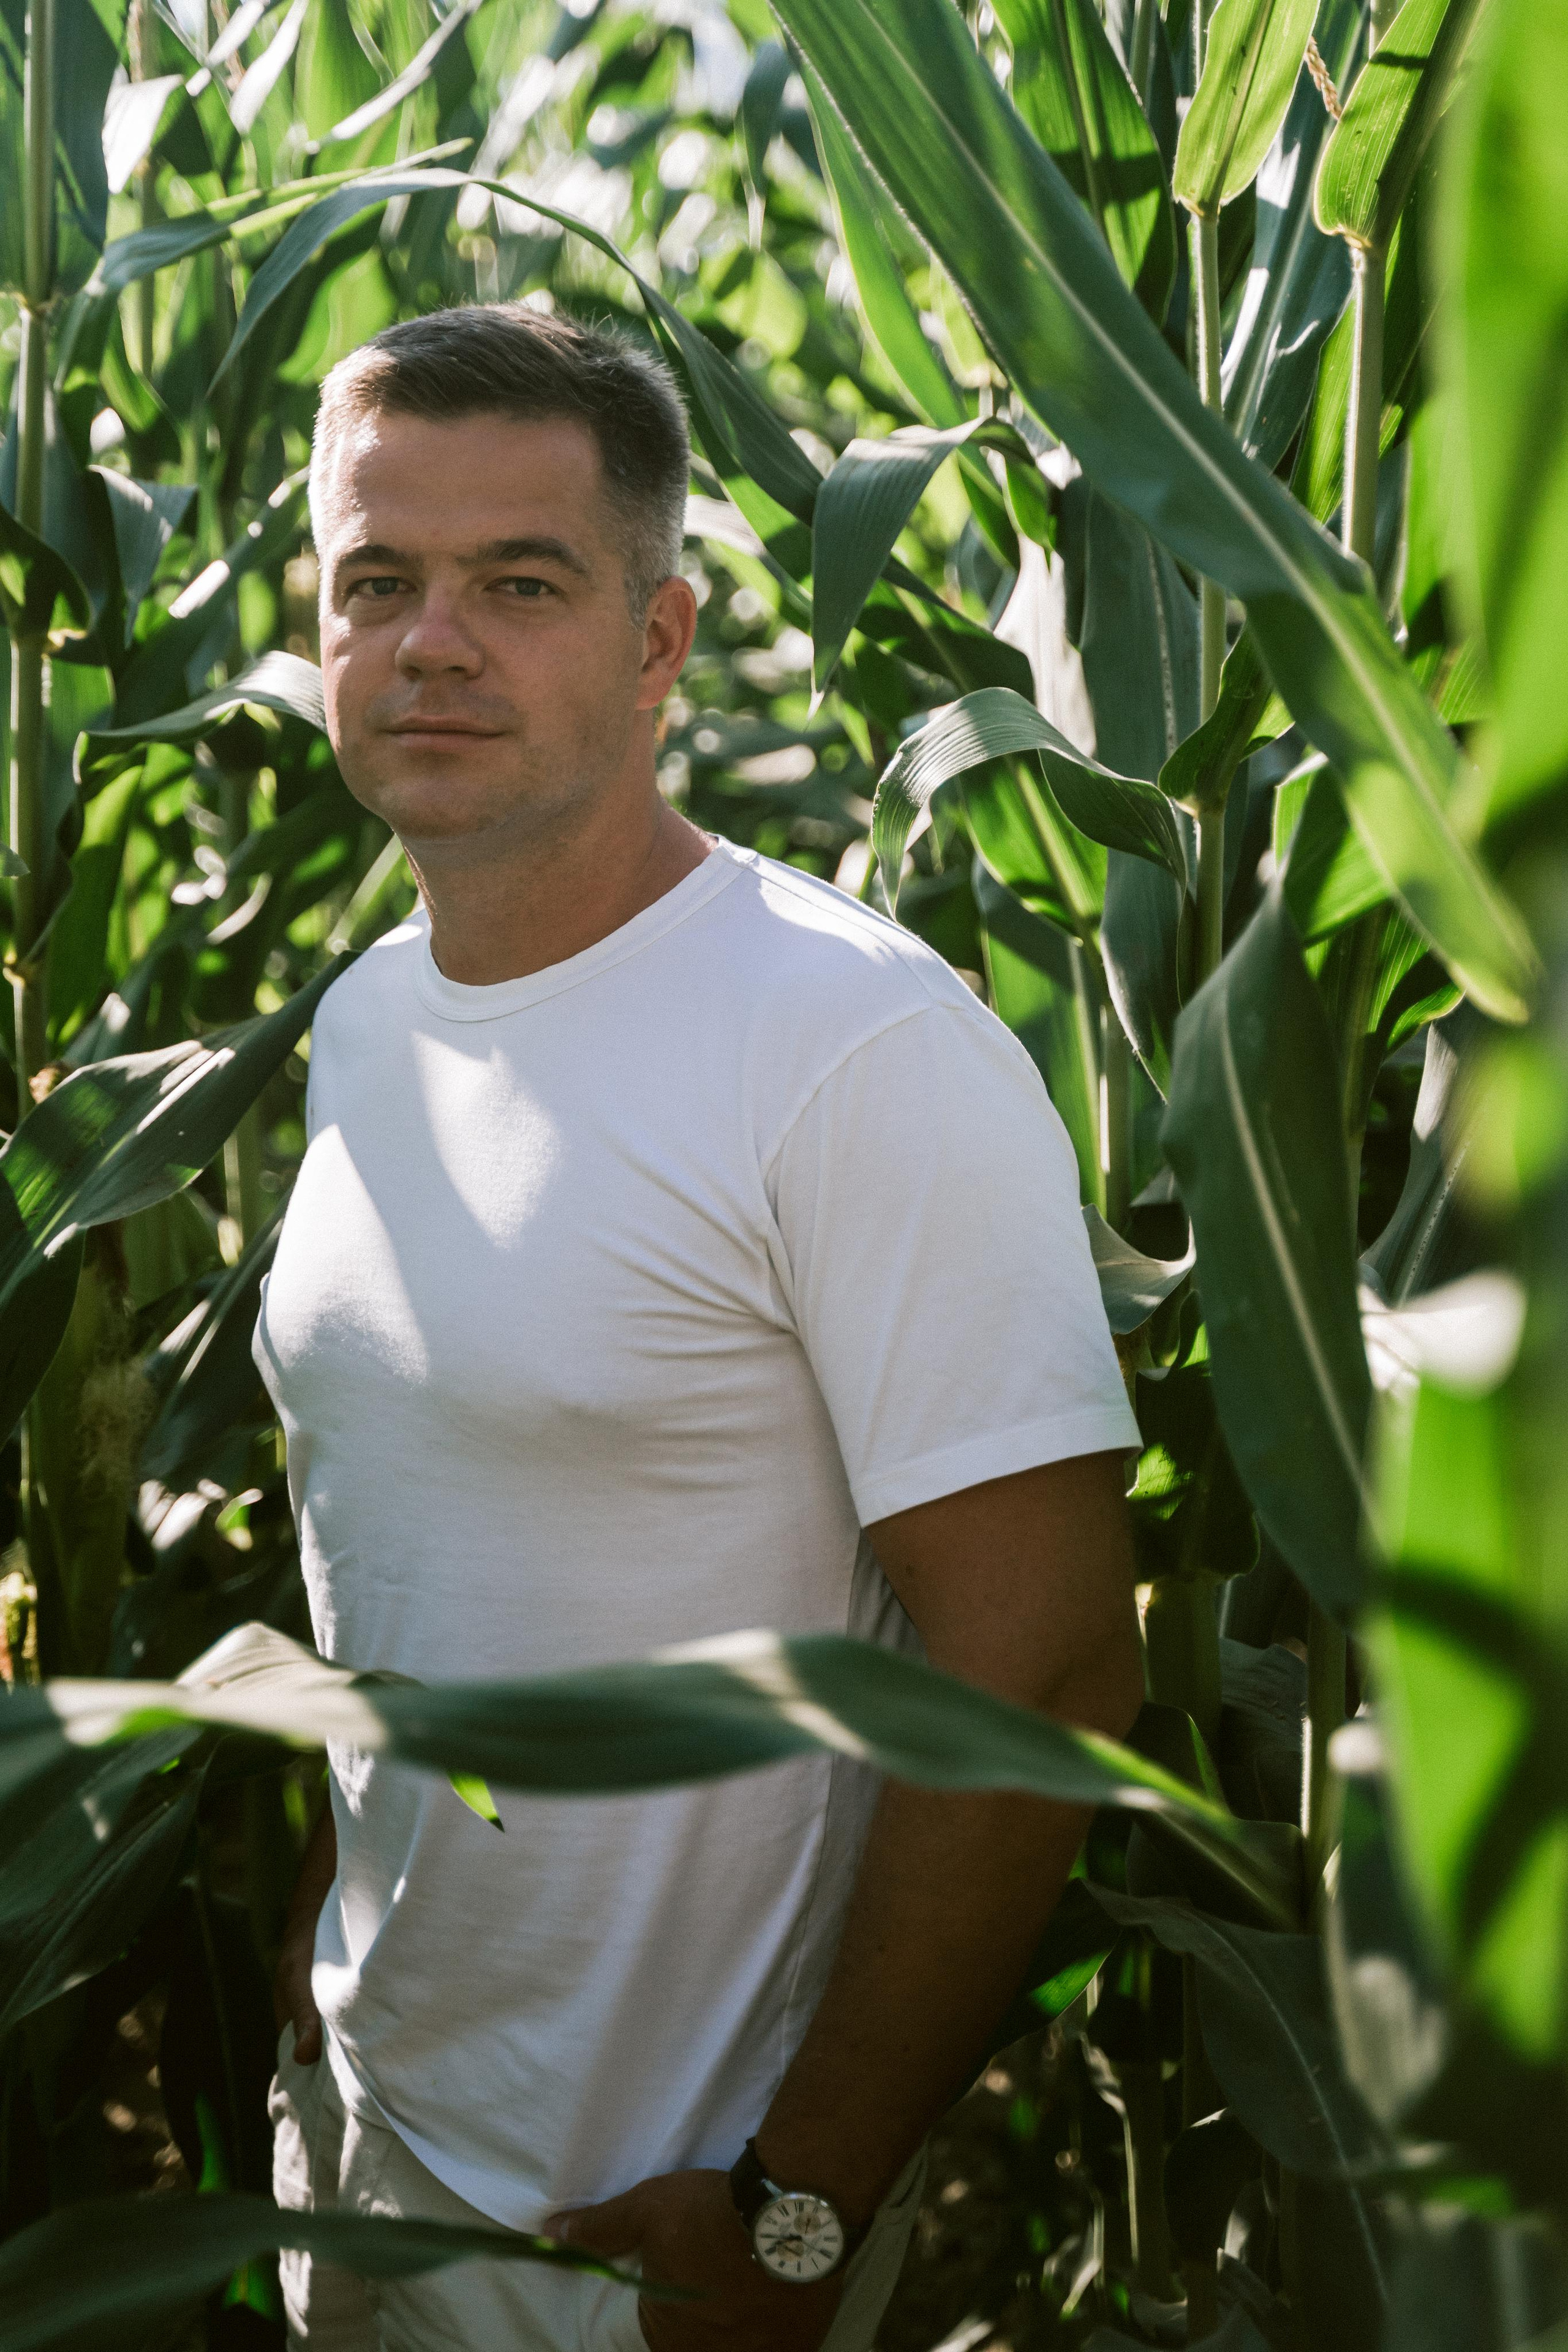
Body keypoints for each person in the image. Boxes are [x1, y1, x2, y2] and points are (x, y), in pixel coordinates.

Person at [258, 301, 1144, 2352]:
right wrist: (327, 2004)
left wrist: (799, 2210)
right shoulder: (368, 1019)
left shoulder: (846, 1048)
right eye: (377, 583)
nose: (434, 642)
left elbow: (1049, 1665)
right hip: (373, 2160)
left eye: (523, 584)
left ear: (660, 644)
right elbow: (403, 1546)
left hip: (654, 2238)